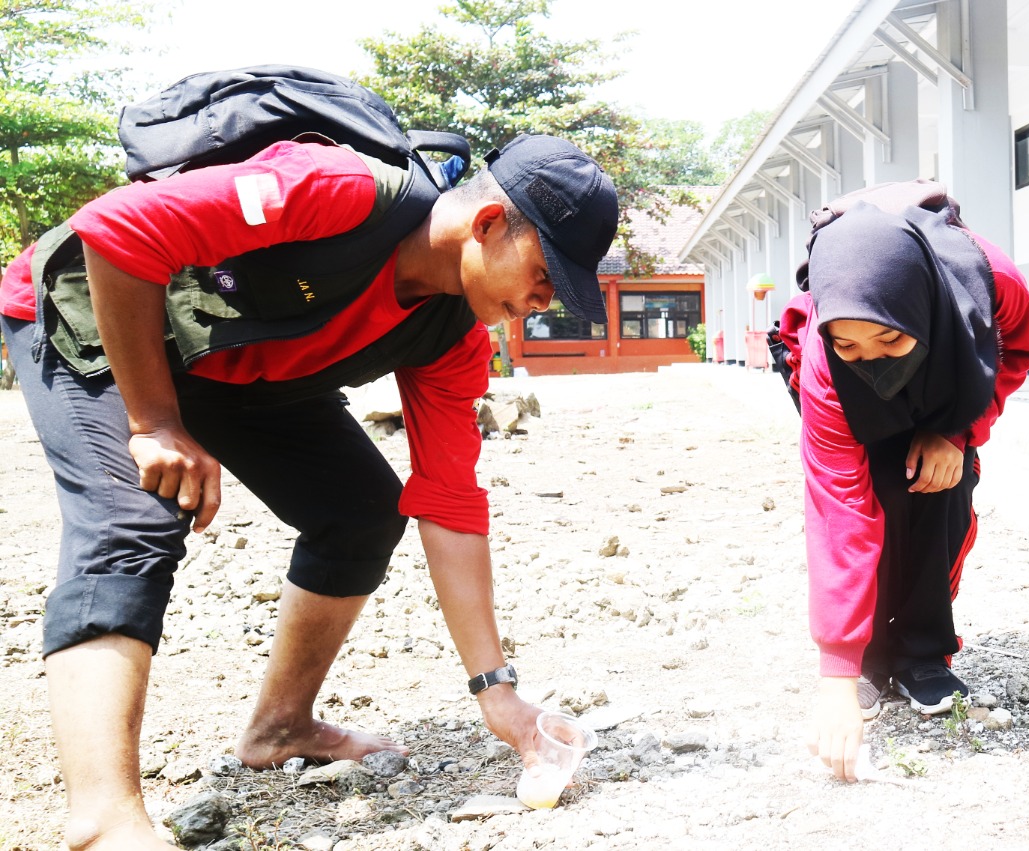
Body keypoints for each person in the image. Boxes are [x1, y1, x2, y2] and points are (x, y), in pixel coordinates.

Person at [0, 132, 618, 850]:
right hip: (100, 308)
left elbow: (449, 506)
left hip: (229, 358)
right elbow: (118, 229)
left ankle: (279, 727)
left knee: (360, 511)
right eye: (545, 274)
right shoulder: (338, 189)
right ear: (486, 224)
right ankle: (104, 820)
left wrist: (499, 695)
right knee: (131, 521)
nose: (543, 301)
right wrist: (155, 421)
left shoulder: (451, 338)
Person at [772, 181, 1029, 783]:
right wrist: (836, 674)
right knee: (876, 489)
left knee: (940, 486)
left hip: (948, 361)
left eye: (889, 340)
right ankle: (869, 656)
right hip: (842, 393)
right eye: (850, 344)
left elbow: (1016, 353)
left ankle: (923, 650)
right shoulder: (824, 357)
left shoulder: (993, 284)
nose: (874, 358)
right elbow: (838, 513)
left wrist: (956, 431)